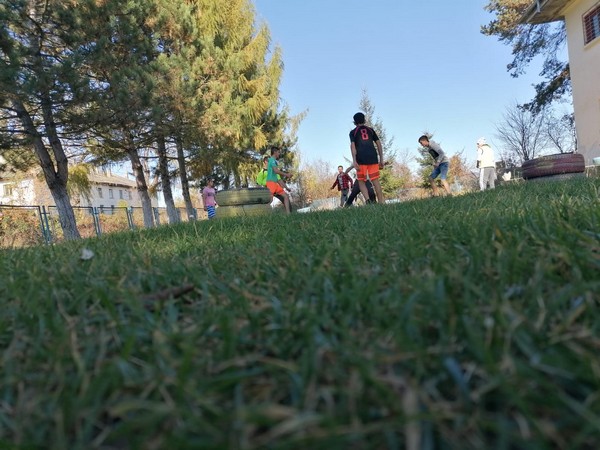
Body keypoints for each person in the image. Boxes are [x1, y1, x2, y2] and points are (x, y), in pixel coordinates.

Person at [349, 112, 384, 204]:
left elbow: (353, 146)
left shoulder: (353, 132)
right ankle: (381, 202)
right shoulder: (370, 130)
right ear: (364, 120)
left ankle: (368, 201)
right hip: (373, 157)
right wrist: (381, 159)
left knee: (361, 181)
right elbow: (379, 144)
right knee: (375, 180)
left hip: (361, 159)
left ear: (354, 122)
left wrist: (354, 160)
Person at [266, 146, 292, 213]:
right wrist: (286, 174)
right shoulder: (271, 160)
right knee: (270, 200)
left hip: (275, 183)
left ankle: (288, 215)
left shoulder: (274, 161)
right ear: (274, 152)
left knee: (286, 196)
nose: (279, 154)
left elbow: (278, 178)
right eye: (278, 152)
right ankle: (263, 213)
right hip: (270, 183)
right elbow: (276, 171)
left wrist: (286, 188)